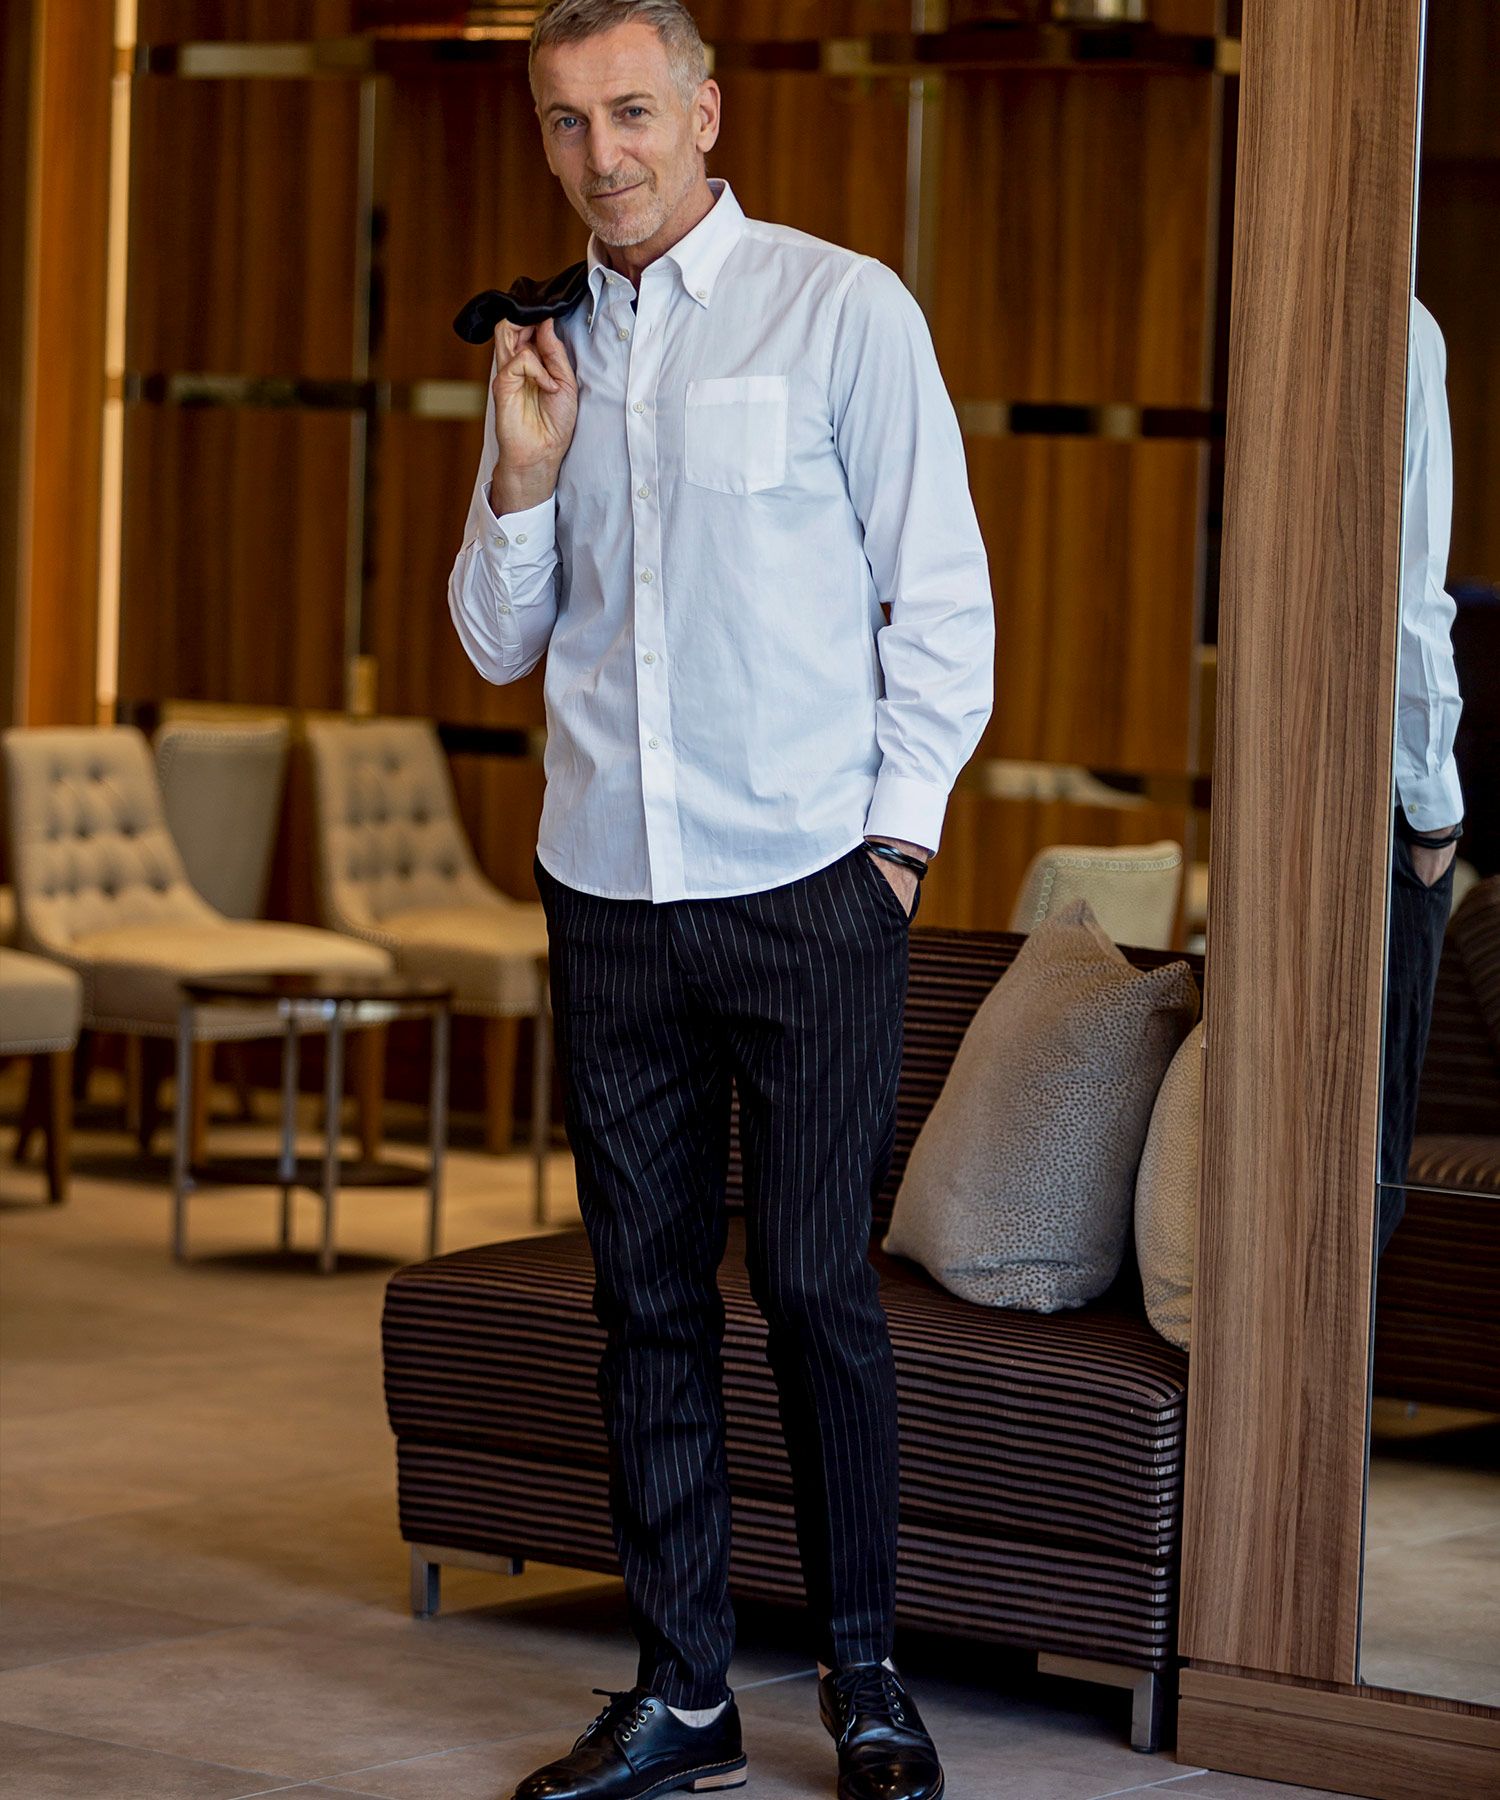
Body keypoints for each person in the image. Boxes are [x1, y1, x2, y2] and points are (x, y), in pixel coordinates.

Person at [448, 4, 993, 1797]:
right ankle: (682, 1692)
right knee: (647, 1302)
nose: (599, 154)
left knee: (821, 1288)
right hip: (609, 895)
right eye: (564, 122)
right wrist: (522, 474)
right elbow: (497, 640)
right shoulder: (545, 349)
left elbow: (943, 602)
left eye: (628, 111)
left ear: (702, 111)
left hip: (808, 893)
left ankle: (865, 1677)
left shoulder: (840, 309)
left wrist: (892, 855)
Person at [1380, 295, 1465, 1255]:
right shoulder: (1397, 325)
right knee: (1364, 1171)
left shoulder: (1271, 313)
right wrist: (1433, 811)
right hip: (1381, 798)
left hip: (1281, 775)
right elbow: (1410, 597)